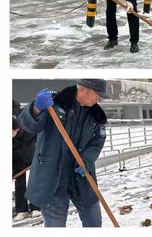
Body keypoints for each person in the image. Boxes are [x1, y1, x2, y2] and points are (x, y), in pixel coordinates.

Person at [17, 80, 109, 227]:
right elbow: (28, 126)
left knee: (94, 222)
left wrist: (86, 159)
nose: (100, 99)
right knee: (55, 225)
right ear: (84, 90)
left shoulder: (96, 116)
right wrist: (35, 108)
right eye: (98, 95)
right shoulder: (55, 105)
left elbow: (98, 141)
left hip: (81, 176)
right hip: (53, 178)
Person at [12, 116, 40, 222]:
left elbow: (34, 149)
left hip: (31, 163)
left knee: (33, 183)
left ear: (16, 129)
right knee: (19, 186)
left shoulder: (28, 134)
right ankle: (21, 210)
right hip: (17, 165)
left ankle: (35, 207)